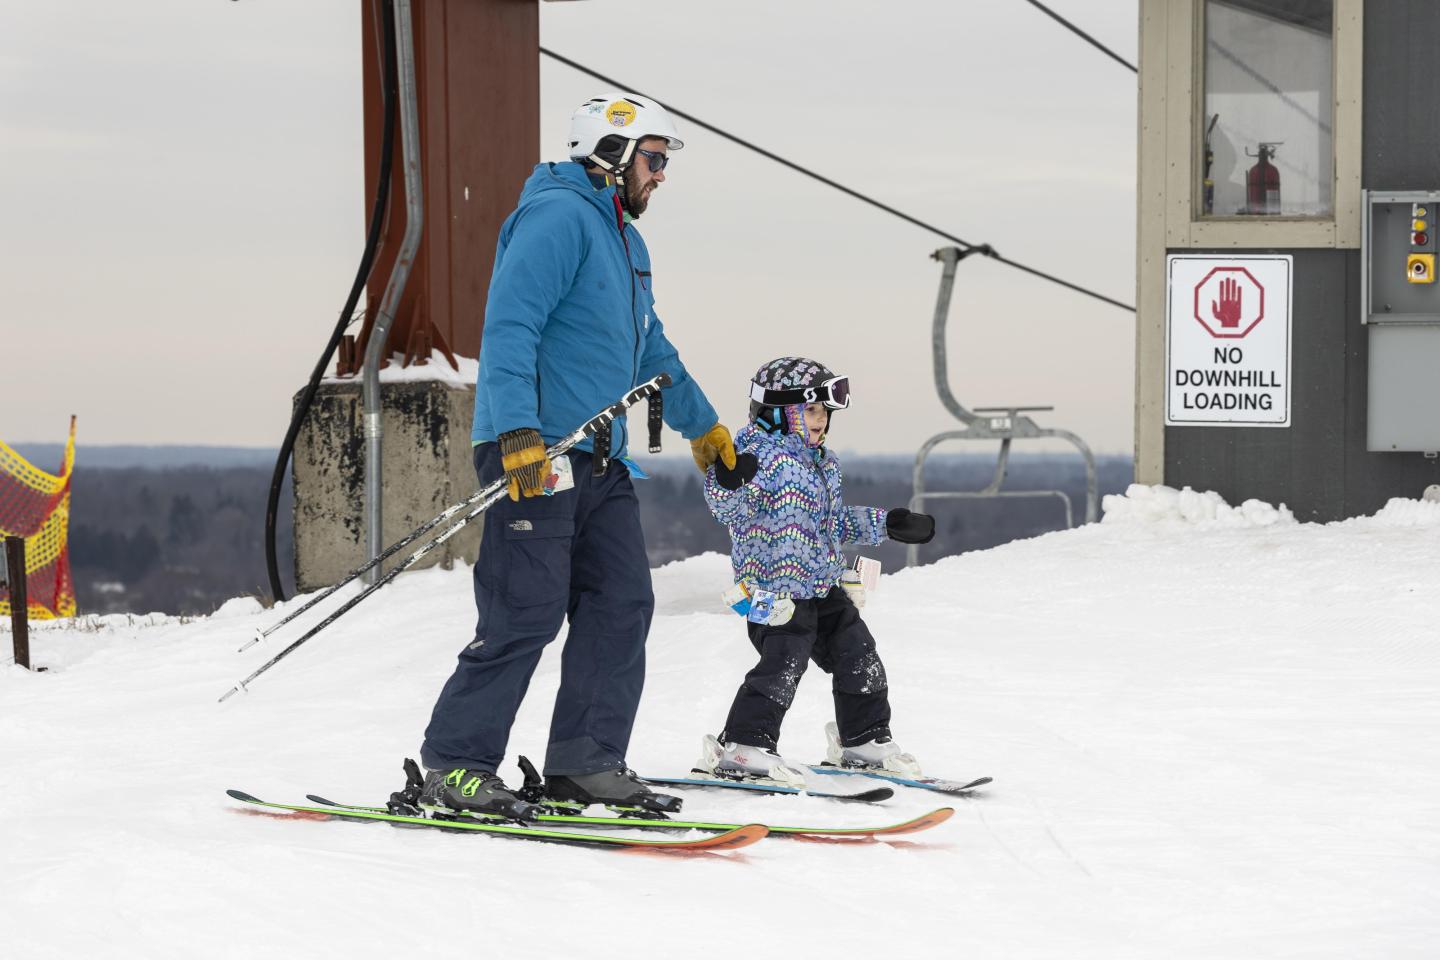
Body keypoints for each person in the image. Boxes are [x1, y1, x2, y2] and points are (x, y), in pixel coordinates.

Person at [417, 93, 738, 819]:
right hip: (535, 451)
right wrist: (518, 434)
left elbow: (650, 350)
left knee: (622, 604)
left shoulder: (625, 240)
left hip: (600, 459)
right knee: (525, 611)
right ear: (614, 152)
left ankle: (584, 763)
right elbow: (509, 326)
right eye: (654, 159)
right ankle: (455, 765)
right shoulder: (558, 217)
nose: (661, 175)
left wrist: (704, 428)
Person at [696, 357, 937, 786]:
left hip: (823, 585)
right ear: (778, 411)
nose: (821, 420)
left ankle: (863, 740)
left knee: (859, 655)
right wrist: (727, 480)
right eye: (811, 410)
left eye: (824, 412)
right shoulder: (755, 457)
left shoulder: (822, 462)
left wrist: (886, 523)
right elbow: (728, 509)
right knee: (782, 667)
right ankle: (744, 747)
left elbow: (831, 522)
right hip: (777, 595)